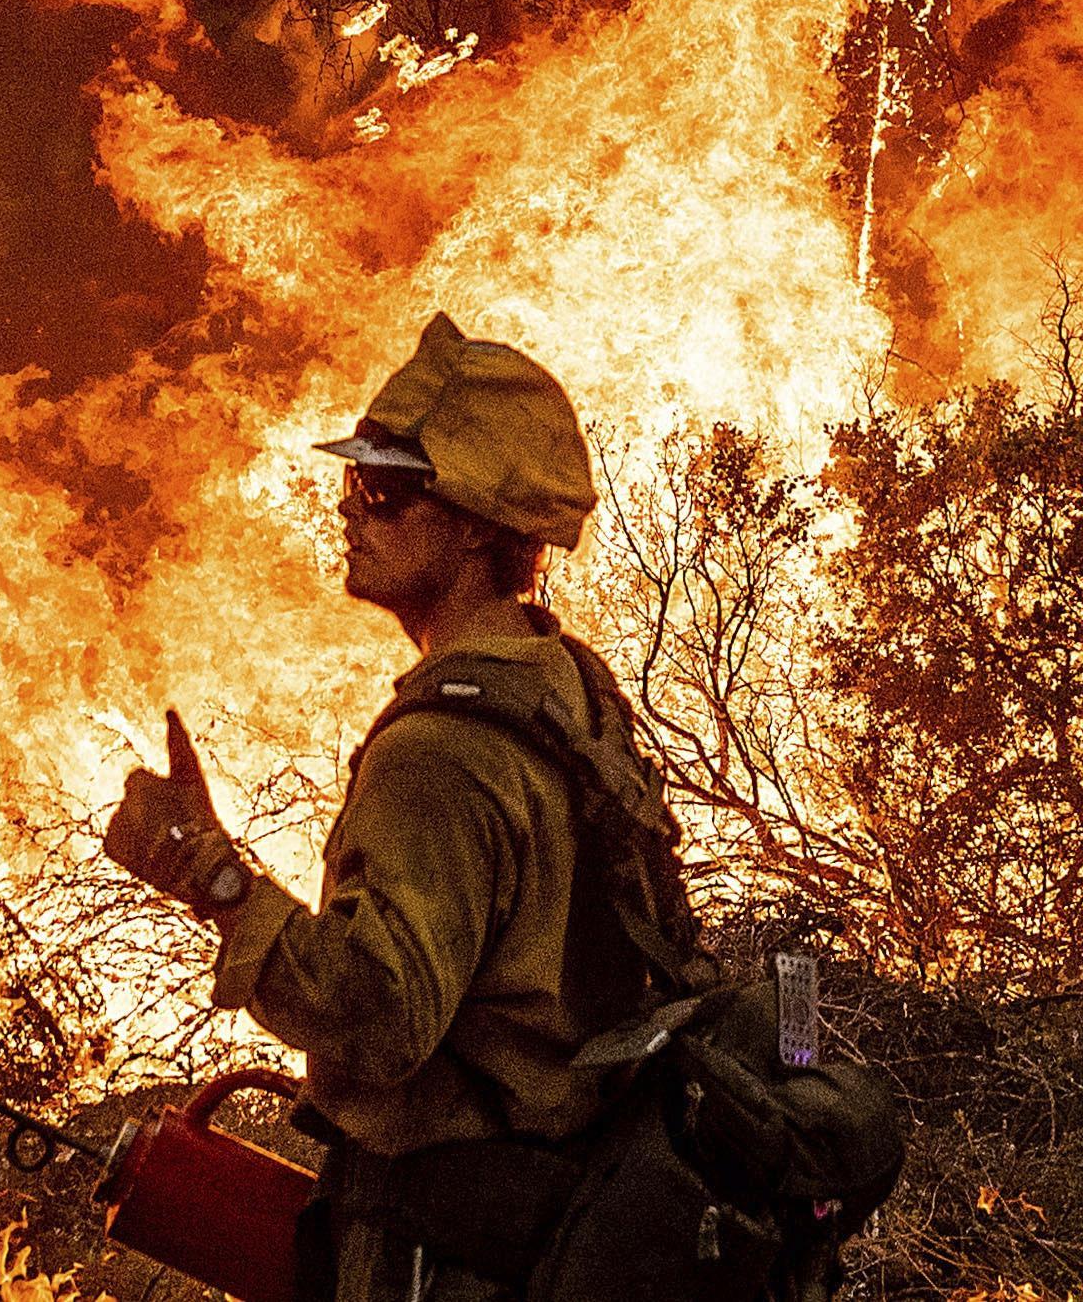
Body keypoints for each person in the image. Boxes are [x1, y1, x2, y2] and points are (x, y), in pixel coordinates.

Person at [102, 309, 680, 1302]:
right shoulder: (565, 692)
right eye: (351, 483)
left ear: (473, 522)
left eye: (383, 489)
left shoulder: (441, 753)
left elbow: (376, 1018)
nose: (348, 511)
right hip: (543, 1228)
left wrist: (206, 865)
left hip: (450, 1262)